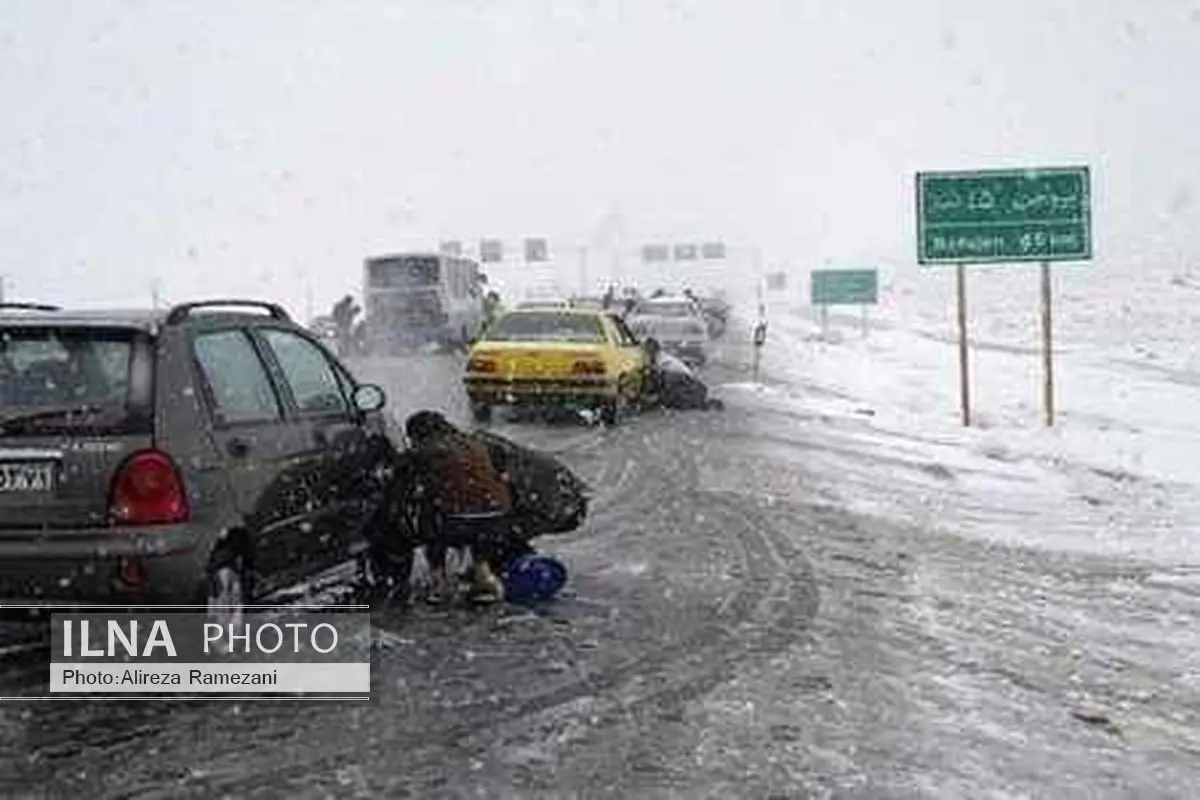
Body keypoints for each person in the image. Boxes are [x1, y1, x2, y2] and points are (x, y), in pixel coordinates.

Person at [404, 411, 510, 604]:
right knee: (479, 524)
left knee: (428, 509)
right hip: (497, 519)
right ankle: (484, 574)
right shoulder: (478, 442)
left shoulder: (425, 450)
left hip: (456, 522)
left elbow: (403, 480)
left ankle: (438, 580)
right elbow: (501, 459)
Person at [641, 338, 724, 411]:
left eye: (646, 349)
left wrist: (655, 398)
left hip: (685, 386)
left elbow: (671, 384)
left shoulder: (666, 363)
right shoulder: (660, 359)